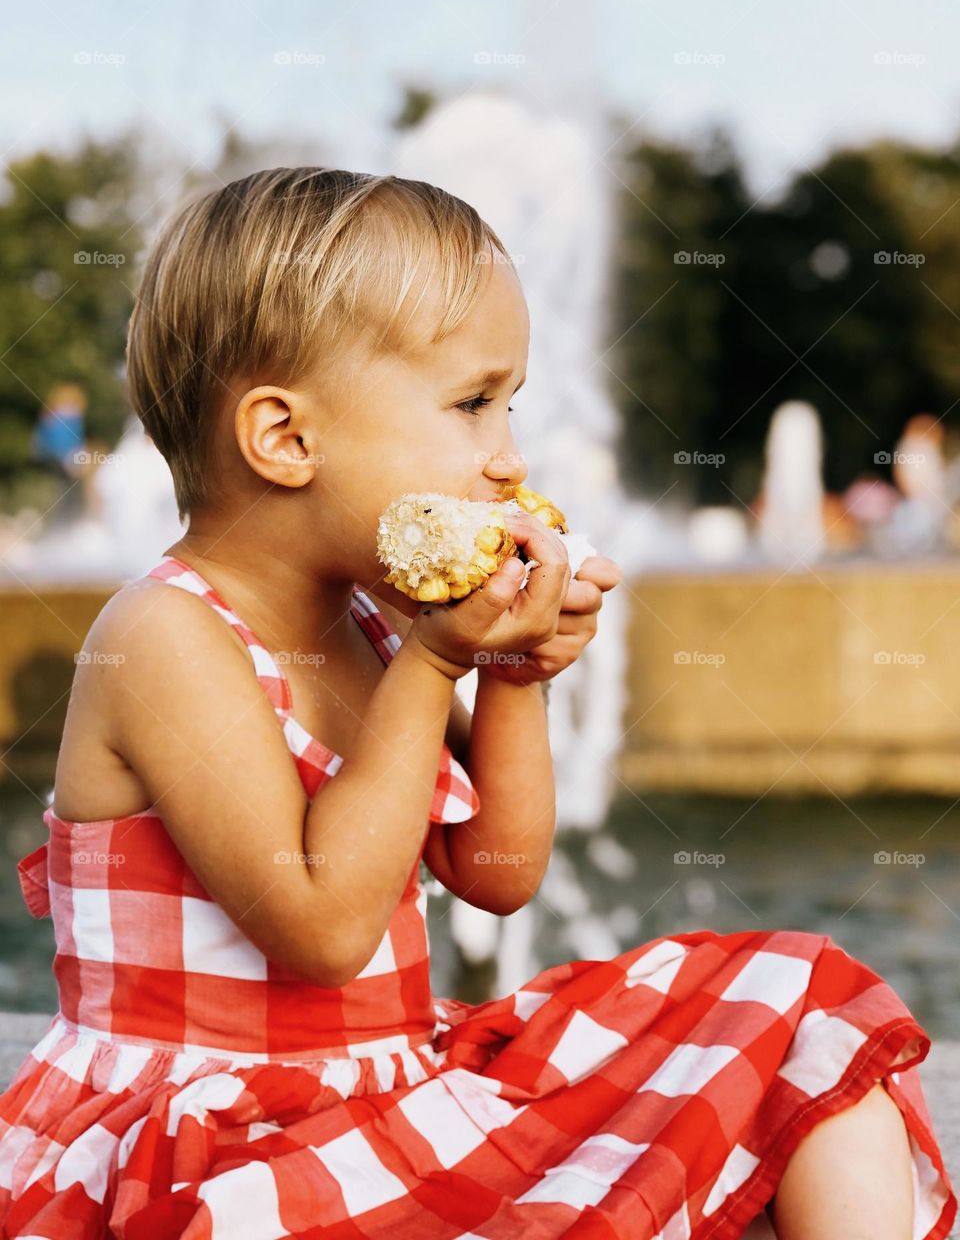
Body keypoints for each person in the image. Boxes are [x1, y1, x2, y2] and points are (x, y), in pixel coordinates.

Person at [0, 168, 954, 1240]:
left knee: (799, 1006)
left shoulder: (365, 622)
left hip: (381, 1089)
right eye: (470, 404)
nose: (508, 458)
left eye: (510, 405)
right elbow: (320, 925)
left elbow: (498, 871)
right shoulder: (164, 636)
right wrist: (434, 661)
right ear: (285, 437)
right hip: (214, 1145)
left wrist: (513, 674)